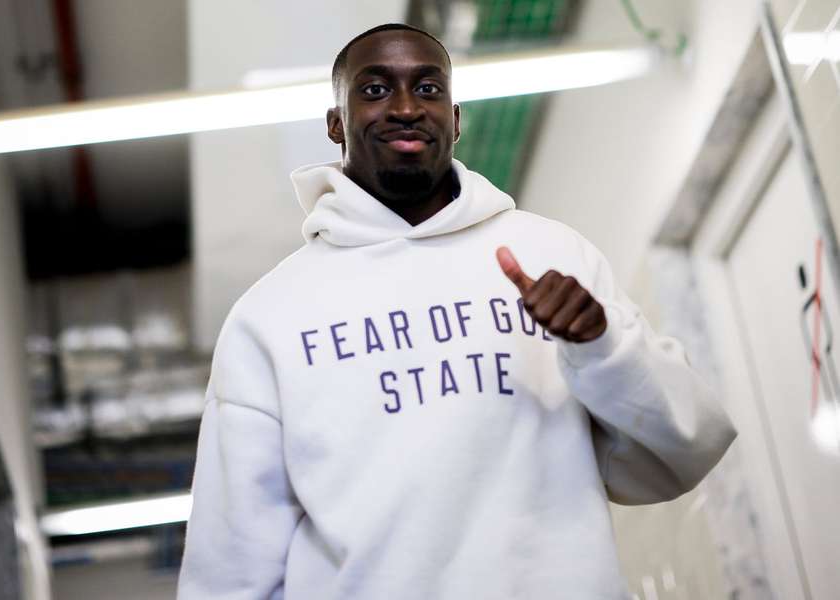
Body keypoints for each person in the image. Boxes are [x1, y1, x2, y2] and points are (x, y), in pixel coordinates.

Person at [177, 23, 736, 600]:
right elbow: (230, 567)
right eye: (375, 90)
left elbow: (690, 446)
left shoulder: (550, 252)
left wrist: (602, 346)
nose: (405, 108)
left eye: (428, 89)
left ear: (456, 118)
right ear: (336, 123)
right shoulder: (270, 317)